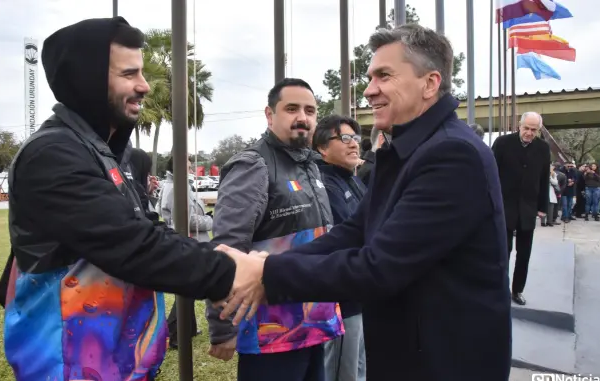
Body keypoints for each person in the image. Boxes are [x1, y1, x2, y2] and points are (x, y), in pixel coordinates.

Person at [218, 24, 511, 381]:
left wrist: (268, 272)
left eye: (384, 76)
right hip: (410, 351)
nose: (369, 90)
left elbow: (379, 267)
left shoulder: (451, 154)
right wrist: (272, 266)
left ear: (430, 83)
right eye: (371, 77)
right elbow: (355, 231)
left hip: (444, 361)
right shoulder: (407, 149)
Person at [0, 17, 240, 380]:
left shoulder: (105, 153)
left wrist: (214, 256)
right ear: (87, 79)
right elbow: (134, 247)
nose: (144, 86)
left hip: (116, 364)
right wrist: (233, 271)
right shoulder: (52, 154)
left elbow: (147, 228)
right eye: (129, 74)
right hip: (69, 368)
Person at [206, 78, 344, 381]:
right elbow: (228, 248)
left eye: (310, 110)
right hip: (272, 334)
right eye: (291, 108)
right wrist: (222, 327)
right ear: (270, 115)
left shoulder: (311, 165)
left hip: (314, 323)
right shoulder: (253, 165)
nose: (302, 118)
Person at [312, 115, 367, 381]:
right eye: (344, 138)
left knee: (358, 366)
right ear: (322, 148)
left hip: (362, 290)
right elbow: (350, 235)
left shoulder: (353, 179)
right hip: (342, 298)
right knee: (342, 370)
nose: (354, 144)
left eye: (355, 138)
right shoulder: (324, 184)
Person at [492, 111, 550, 306]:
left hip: (528, 207)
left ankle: (517, 290)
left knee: (524, 254)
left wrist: (542, 207)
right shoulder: (502, 143)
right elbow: (490, 175)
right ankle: (500, 288)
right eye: (526, 128)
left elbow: (543, 180)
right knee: (503, 251)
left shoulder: (543, 149)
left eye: (534, 130)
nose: (529, 133)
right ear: (519, 125)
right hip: (504, 206)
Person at [157, 155, 214, 347]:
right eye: (188, 167)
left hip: (190, 242)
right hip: (188, 242)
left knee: (190, 289)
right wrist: (210, 220)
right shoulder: (175, 188)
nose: (191, 170)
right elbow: (186, 219)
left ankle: (187, 329)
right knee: (188, 291)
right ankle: (174, 334)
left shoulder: (178, 185)